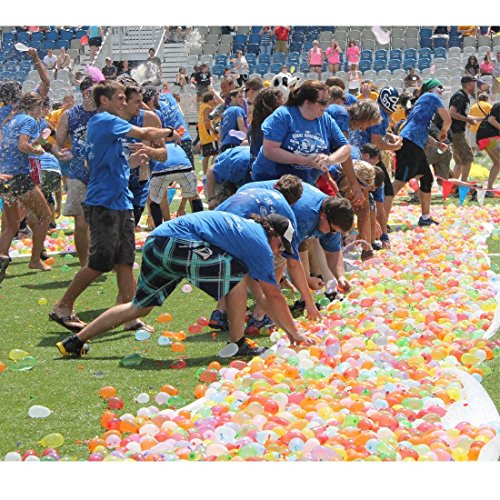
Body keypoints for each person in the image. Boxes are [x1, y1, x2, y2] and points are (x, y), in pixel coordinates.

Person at [56, 211, 314, 358]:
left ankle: (74, 342)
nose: (279, 252)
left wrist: (289, 331)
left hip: (156, 243)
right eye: (280, 245)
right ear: (272, 234)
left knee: (139, 307)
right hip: (176, 242)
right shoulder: (259, 244)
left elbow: (263, 297)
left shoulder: (245, 231)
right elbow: (272, 296)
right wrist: (295, 334)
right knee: (236, 274)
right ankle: (238, 343)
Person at [50, 80, 181, 333]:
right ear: (104, 100)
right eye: (120, 98)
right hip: (104, 202)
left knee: (125, 261)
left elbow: (103, 163)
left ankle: (130, 317)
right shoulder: (105, 120)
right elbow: (145, 133)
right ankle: (62, 306)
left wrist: (131, 161)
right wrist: (169, 132)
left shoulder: (107, 125)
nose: (124, 102)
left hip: (120, 200)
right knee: (99, 263)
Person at [214, 176, 323, 331]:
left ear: (275, 185)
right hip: (235, 236)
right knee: (280, 258)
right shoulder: (286, 211)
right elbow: (293, 262)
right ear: (295, 201)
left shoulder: (253, 190)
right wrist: (309, 303)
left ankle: (219, 312)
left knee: (237, 266)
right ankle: (259, 316)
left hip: (211, 233)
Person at [251, 80, 360, 204]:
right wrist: (306, 160)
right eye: (323, 102)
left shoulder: (325, 119)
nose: (326, 106)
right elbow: (269, 150)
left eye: (328, 101)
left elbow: (345, 148)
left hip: (302, 185)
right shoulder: (284, 115)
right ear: (307, 102)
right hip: (272, 181)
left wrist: (329, 159)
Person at [240, 181, 355, 294]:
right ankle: (260, 300)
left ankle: (266, 296)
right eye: (333, 230)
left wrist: (340, 277)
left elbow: (333, 252)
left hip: (264, 205)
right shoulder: (304, 218)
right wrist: (307, 286)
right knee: (275, 256)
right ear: (323, 216)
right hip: (248, 202)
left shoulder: (332, 216)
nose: (333, 234)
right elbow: (291, 261)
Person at [0, 92, 53, 283]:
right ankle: (35, 259)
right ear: (36, 106)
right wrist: (36, 150)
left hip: (4, 176)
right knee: (45, 216)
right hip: (19, 177)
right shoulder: (29, 121)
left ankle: (1, 258)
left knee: (12, 223)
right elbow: (23, 146)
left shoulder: (10, 120)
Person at [392, 79, 451, 226]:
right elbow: (448, 120)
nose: (441, 90)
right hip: (409, 143)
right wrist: (443, 131)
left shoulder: (423, 104)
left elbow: (422, 132)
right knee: (400, 181)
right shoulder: (432, 97)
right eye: (439, 87)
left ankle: (425, 218)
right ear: (431, 89)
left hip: (412, 143)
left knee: (426, 178)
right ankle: (378, 211)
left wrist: (436, 143)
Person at [350, 87, 402, 246]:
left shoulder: (381, 114)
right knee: (372, 199)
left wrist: (389, 136)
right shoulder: (379, 115)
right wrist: (394, 147)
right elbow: (376, 140)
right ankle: (371, 237)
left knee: (373, 199)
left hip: (365, 156)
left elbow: (377, 135)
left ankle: (373, 236)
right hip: (364, 158)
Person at [55, 77, 96, 267]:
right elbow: (58, 143)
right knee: (81, 222)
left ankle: (105, 259)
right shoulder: (70, 115)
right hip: (78, 174)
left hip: (103, 173)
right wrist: (59, 152)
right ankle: (84, 265)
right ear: (87, 93)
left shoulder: (106, 113)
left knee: (105, 220)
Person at [120, 84, 167, 227]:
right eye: (137, 101)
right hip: (115, 184)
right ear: (123, 102)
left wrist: (147, 150)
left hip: (139, 186)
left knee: (128, 230)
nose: (142, 105)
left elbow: (163, 155)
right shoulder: (110, 120)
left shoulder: (150, 119)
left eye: (141, 100)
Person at [148, 142, 203, 226]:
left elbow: (149, 193)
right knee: (193, 195)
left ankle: (163, 226)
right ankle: (200, 225)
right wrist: (182, 207)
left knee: (156, 199)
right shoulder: (176, 146)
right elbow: (187, 191)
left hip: (161, 170)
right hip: (184, 167)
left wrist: (150, 214)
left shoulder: (151, 150)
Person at [450, 75, 480, 183]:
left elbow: (463, 115)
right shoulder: (460, 96)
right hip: (456, 132)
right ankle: (463, 185)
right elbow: (452, 113)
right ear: (469, 84)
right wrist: (468, 120)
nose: (475, 86)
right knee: (468, 158)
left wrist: (480, 118)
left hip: (456, 132)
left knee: (459, 161)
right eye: (474, 84)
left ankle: (453, 185)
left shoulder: (463, 96)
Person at [248, 87, 284, 167]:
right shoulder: (272, 126)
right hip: (271, 170)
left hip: (255, 168)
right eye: (281, 104)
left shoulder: (254, 125)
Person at [476, 101, 499, 194]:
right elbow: (491, 120)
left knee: (498, 163)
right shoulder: (498, 105)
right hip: (488, 136)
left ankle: (489, 189)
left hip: (486, 137)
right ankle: (489, 188)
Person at [198, 92, 219, 174]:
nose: (215, 100)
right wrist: (213, 130)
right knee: (215, 153)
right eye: (213, 99)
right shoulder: (208, 108)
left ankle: (205, 174)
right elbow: (206, 121)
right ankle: (212, 173)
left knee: (206, 155)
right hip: (209, 134)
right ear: (209, 100)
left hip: (203, 133)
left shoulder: (202, 106)